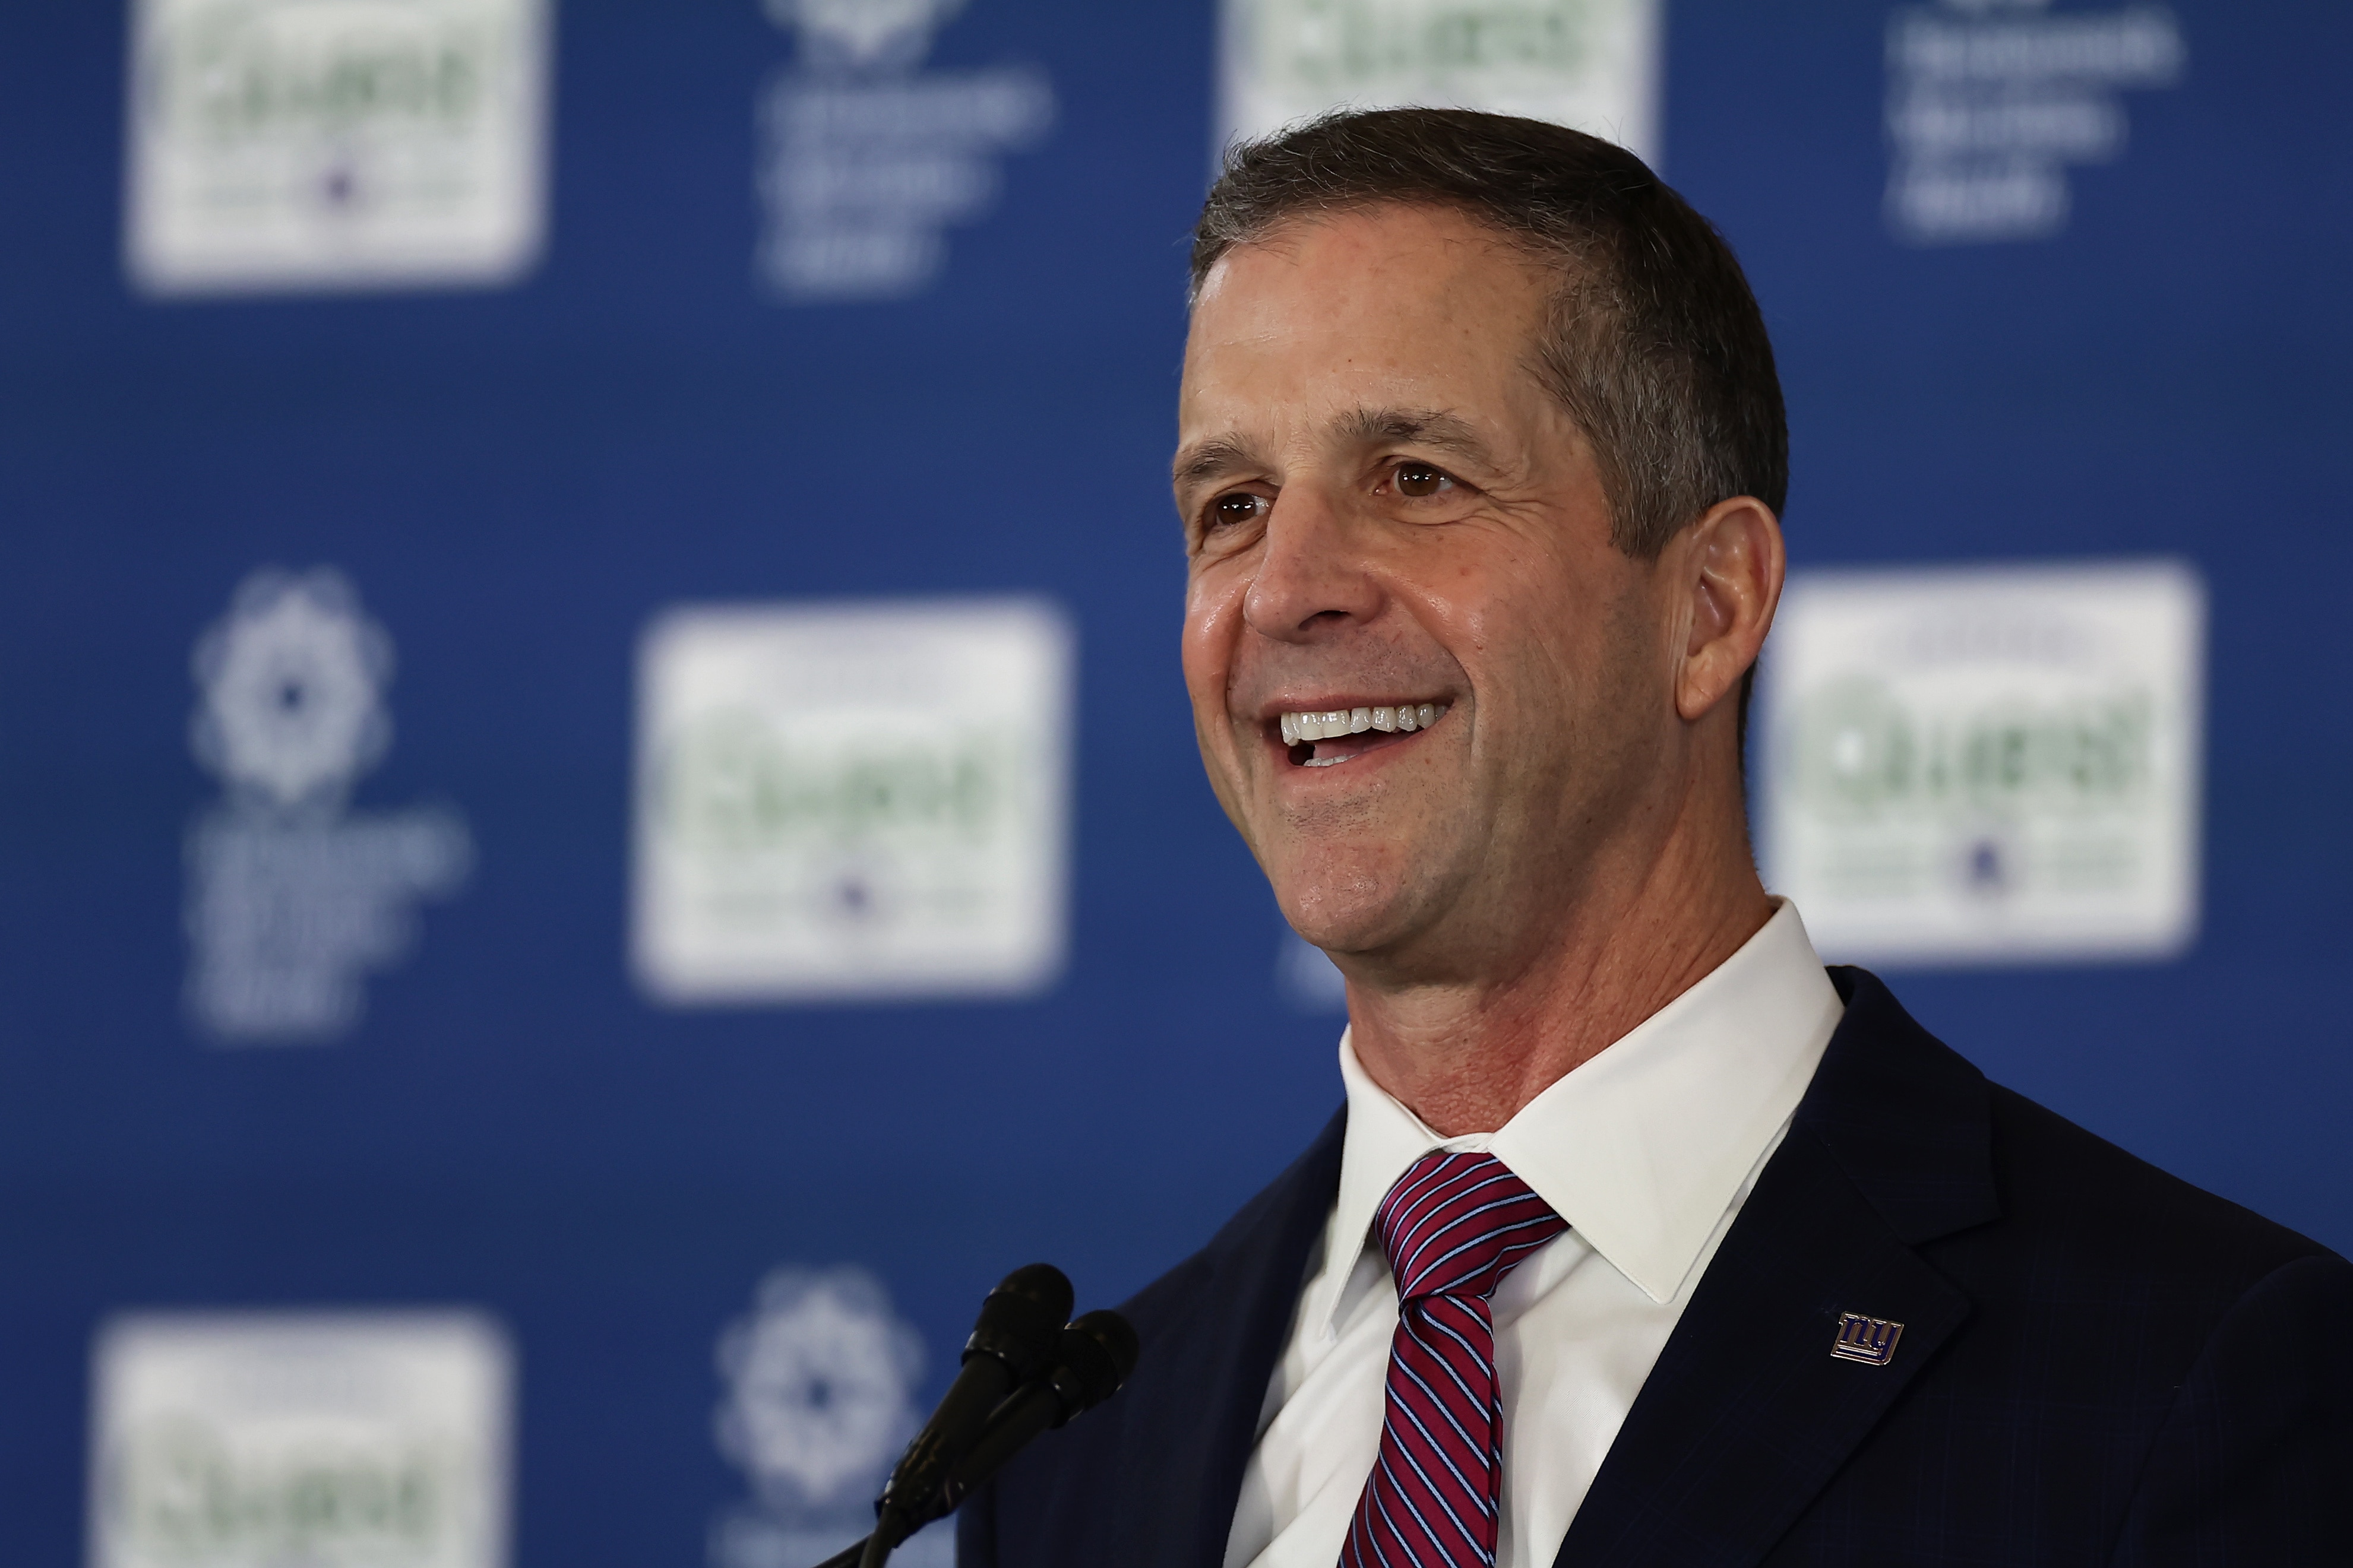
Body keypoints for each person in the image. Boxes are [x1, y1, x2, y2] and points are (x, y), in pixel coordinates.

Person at [957, 108, 2352, 1567]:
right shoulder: (1067, 1463)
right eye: (1232, 506)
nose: (1283, 587)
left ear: (1709, 607)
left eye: (1416, 477)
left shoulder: (2182, 1374)